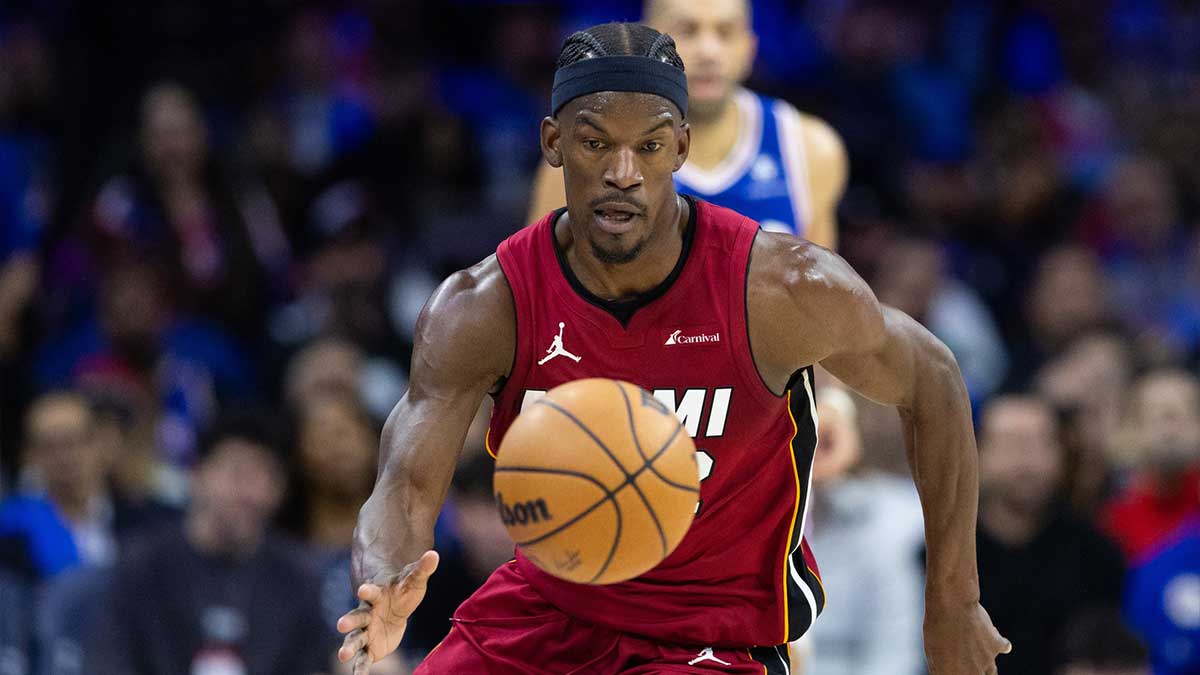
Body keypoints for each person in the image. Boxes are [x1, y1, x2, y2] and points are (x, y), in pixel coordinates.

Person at [339, 22, 1008, 675]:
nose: (623, 172)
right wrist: (384, 577)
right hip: (546, 611)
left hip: (708, 634)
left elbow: (934, 376)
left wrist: (955, 600)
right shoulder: (486, 304)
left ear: (682, 147)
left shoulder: (779, 288)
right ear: (553, 142)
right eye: (596, 143)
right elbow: (404, 483)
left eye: (650, 147)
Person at [528, 0, 847, 249]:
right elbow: (542, 296)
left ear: (749, 47)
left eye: (725, 32)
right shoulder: (585, 151)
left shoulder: (809, 148)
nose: (709, 51)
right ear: (646, 39)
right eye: (688, 30)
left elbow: (816, 307)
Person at [86, 414, 330, 675]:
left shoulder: (298, 578)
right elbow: (108, 659)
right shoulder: (140, 567)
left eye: (266, 478)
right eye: (238, 474)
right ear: (197, 475)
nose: (250, 495)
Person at [975, 395, 1125, 675]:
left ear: (1062, 454)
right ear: (977, 453)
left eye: (1039, 443)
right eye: (1010, 444)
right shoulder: (938, 558)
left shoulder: (1099, 557)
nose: (1026, 460)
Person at [1102, 369, 1200, 562]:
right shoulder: (1116, 521)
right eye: (1156, 416)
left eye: (1181, 414)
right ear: (1132, 430)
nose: (1169, 430)